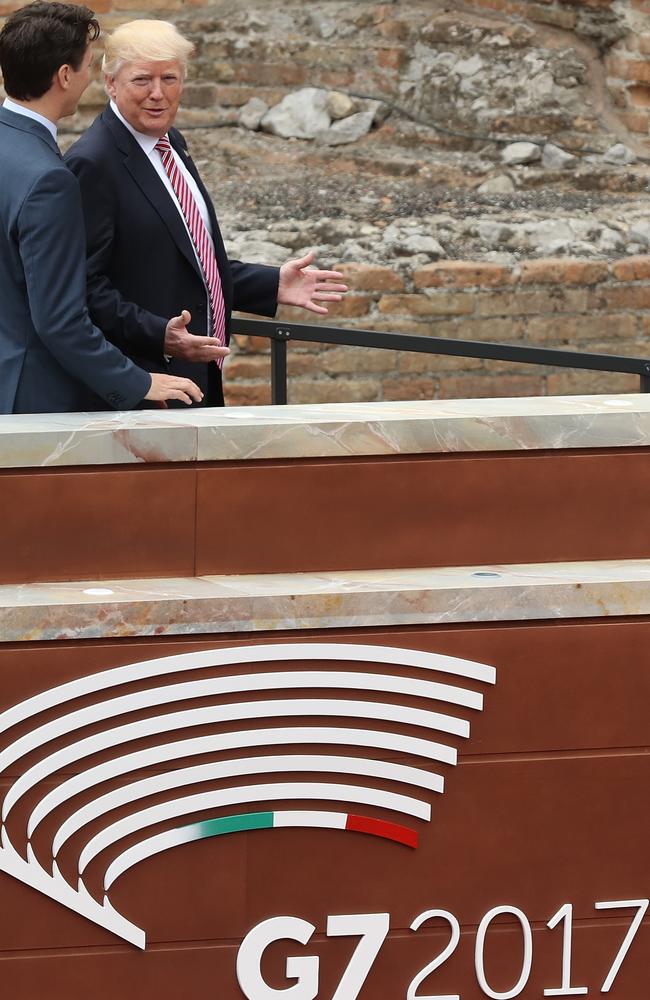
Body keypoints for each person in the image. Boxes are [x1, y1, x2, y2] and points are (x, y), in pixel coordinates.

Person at [65, 19, 348, 406]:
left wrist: (271, 284)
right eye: (142, 80)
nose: (158, 94)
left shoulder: (171, 143)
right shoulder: (92, 163)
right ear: (111, 84)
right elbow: (83, 288)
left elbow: (185, 258)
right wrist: (159, 333)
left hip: (198, 373)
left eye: (170, 78)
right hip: (143, 387)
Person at [0, 1, 204, 414]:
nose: (89, 78)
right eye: (89, 66)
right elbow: (59, 320)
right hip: (34, 399)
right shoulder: (49, 179)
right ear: (64, 76)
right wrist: (137, 381)